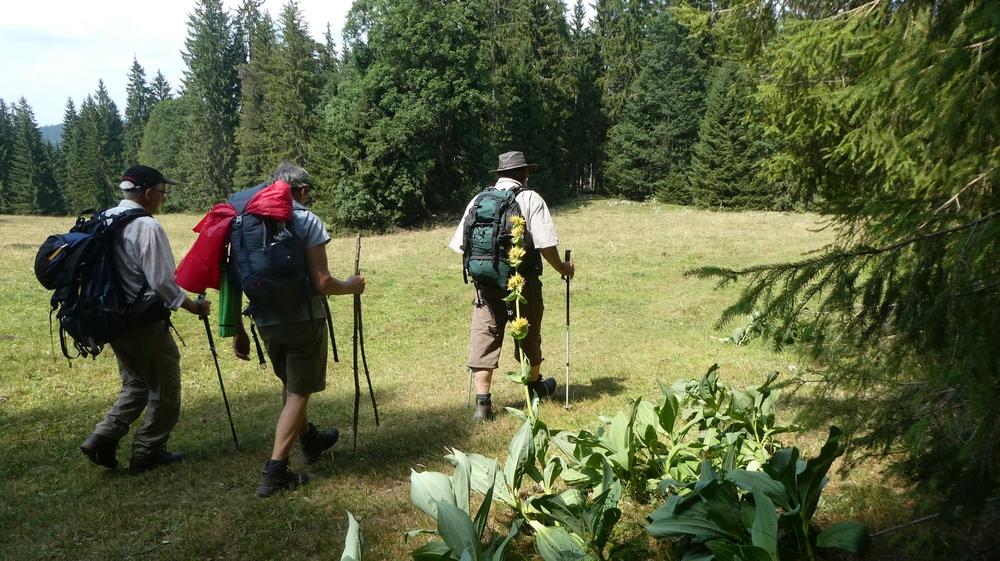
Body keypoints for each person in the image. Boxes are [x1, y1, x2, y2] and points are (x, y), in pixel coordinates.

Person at [232, 162, 366, 497]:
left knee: (292, 385)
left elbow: (233, 278)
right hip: (303, 319)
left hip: (264, 320)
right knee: (298, 393)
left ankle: (310, 440)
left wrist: (236, 328)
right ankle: (275, 472)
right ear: (302, 191)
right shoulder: (306, 219)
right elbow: (322, 283)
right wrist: (351, 286)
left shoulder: (246, 220)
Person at [79, 164, 211, 474]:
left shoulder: (105, 218)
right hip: (142, 321)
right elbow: (162, 282)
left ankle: (101, 438)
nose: (164, 198)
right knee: (165, 387)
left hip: (110, 319)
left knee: (137, 382)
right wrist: (192, 307)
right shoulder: (147, 227)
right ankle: (147, 452)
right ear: (149, 193)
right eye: (163, 192)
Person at [448, 151, 575, 421]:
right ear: (523, 173)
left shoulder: (478, 199)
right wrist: (563, 268)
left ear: (500, 174)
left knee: (484, 335)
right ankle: (534, 386)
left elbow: (461, 245)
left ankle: (482, 405)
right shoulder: (530, 199)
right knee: (528, 332)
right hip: (521, 280)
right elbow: (545, 244)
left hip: (485, 283)